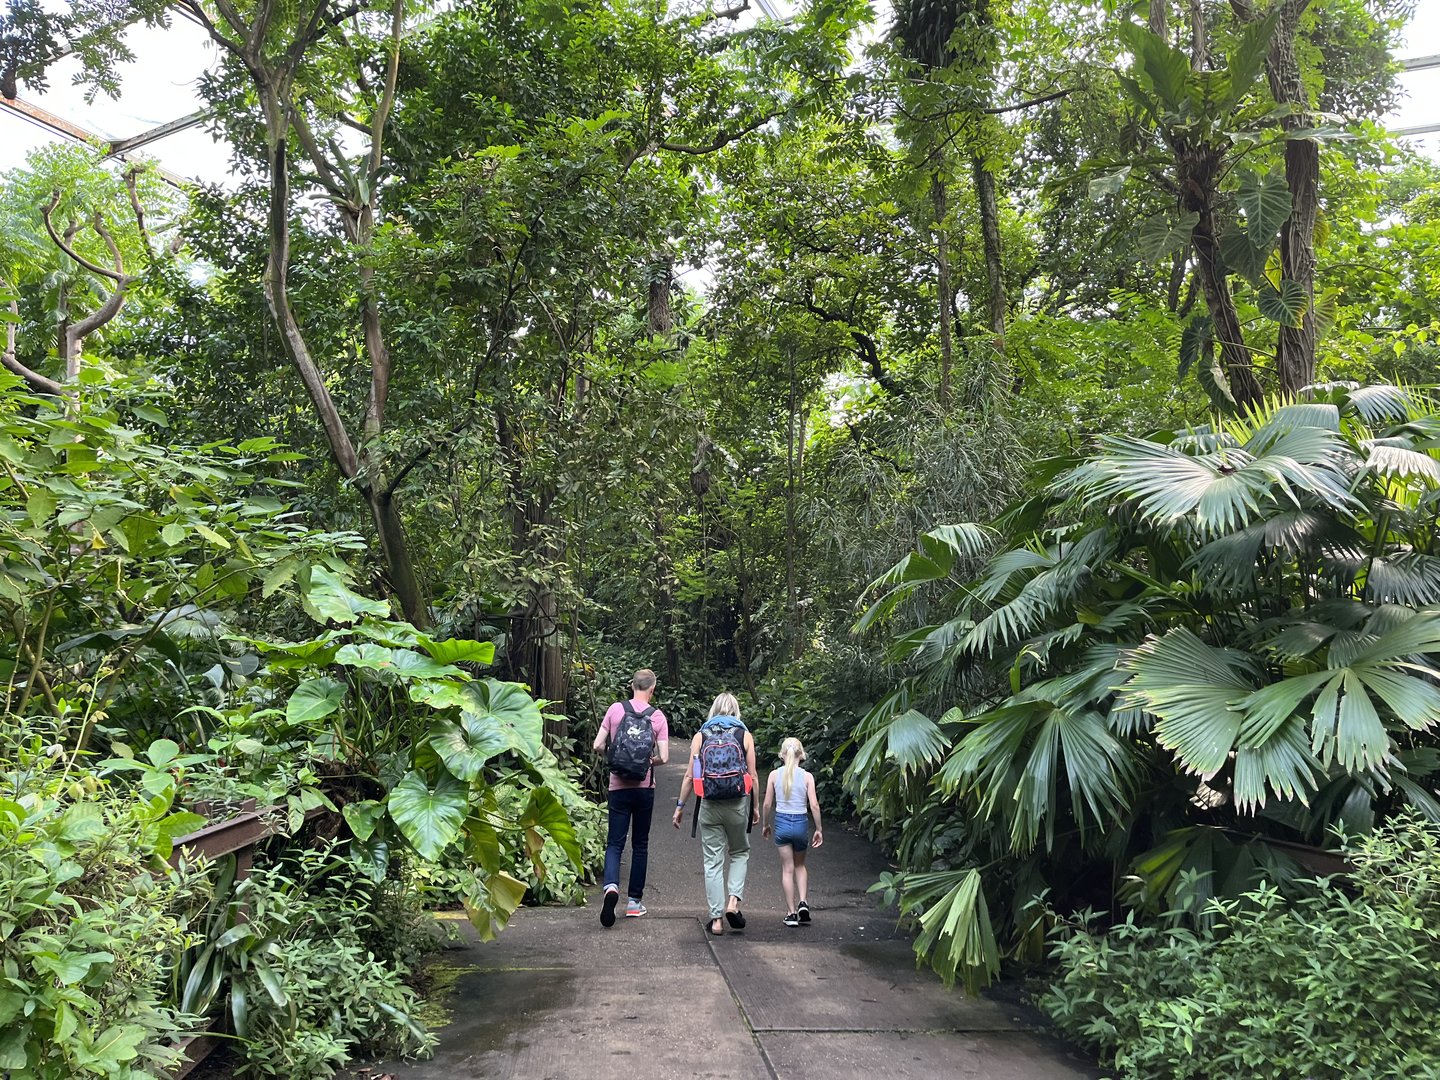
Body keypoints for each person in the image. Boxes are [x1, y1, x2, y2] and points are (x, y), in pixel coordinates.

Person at [671, 692, 759, 936]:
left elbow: (691, 776)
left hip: (708, 804)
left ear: (713, 709)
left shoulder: (701, 735)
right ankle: (733, 903)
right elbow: (752, 776)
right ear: (736, 710)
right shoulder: (744, 734)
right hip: (737, 803)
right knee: (740, 851)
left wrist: (680, 807)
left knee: (712, 861)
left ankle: (717, 920)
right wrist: (755, 807)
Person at [592, 668, 669, 927]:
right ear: (652, 689)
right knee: (640, 845)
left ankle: (611, 888)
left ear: (632, 685)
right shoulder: (657, 717)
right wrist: (648, 762)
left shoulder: (615, 710)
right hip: (644, 787)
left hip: (618, 787)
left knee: (614, 843)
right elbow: (665, 757)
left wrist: (616, 759)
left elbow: (597, 745)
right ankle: (634, 903)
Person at [761, 737, 824, 927]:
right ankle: (803, 902)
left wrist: (765, 824)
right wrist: (819, 829)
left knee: (787, 869)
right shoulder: (807, 777)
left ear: (781, 755)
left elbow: (766, 804)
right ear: (801, 755)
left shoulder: (774, 775)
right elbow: (813, 804)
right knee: (800, 866)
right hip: (800, 823)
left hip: (781, 823)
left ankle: (791, 913)